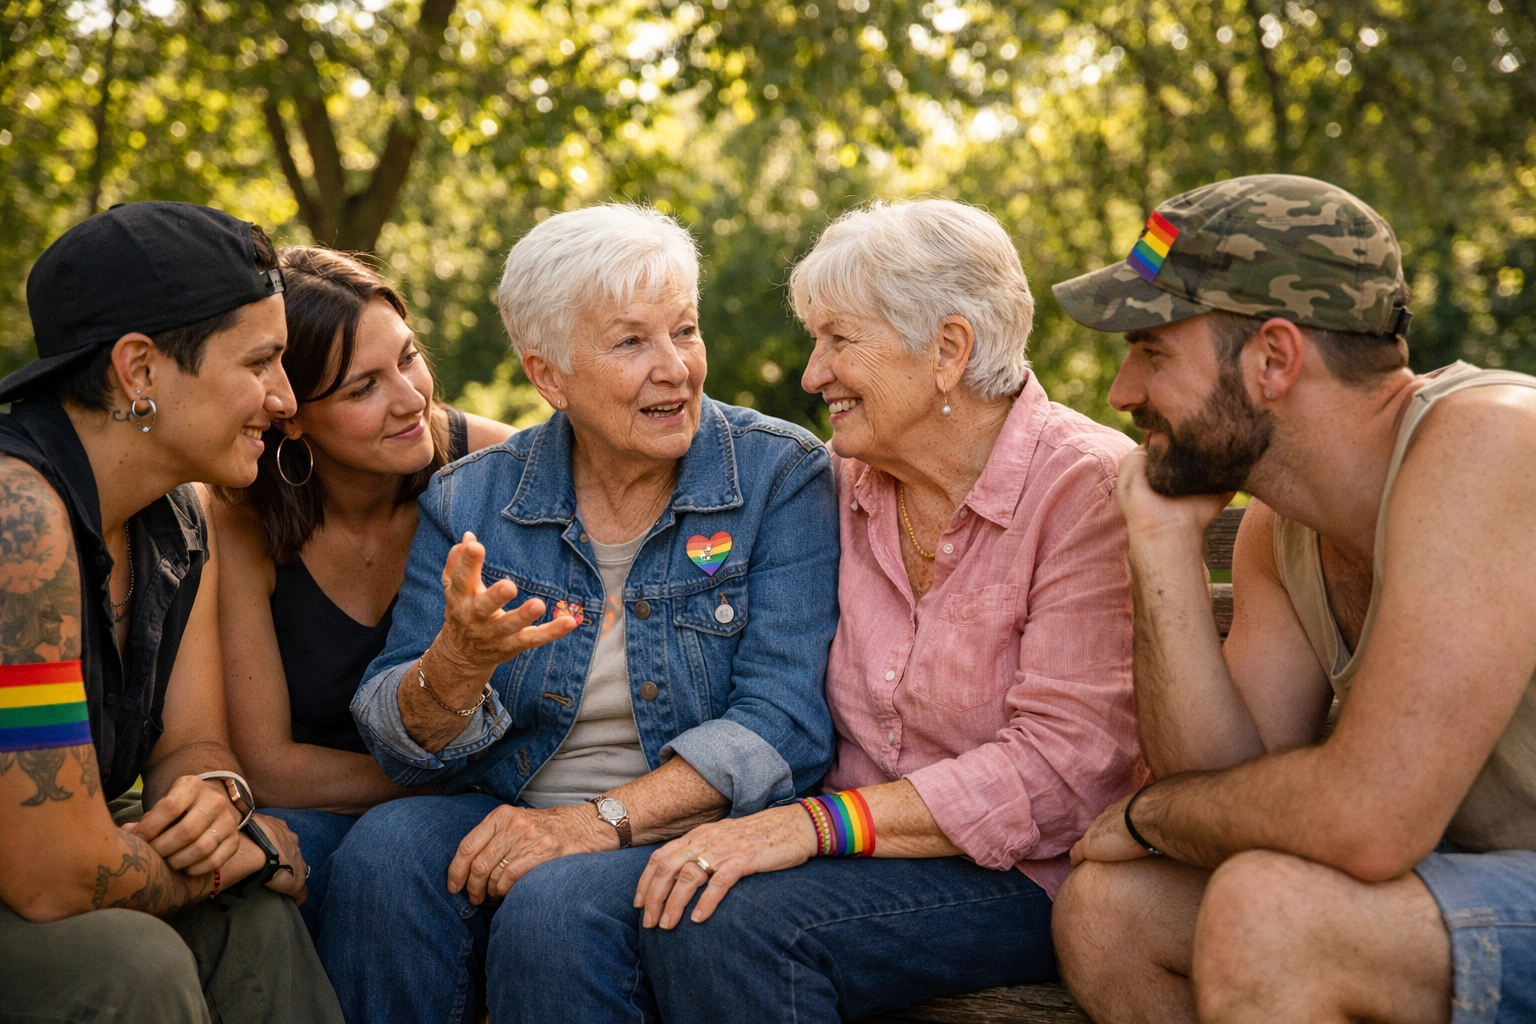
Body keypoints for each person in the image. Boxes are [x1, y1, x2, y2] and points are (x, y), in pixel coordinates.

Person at [318, 203, 841, 1024]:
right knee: (381, 854)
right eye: (632, 342)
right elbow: (396, 741)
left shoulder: (781, 476)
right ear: (548, 376)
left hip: (682, 822)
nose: (675, 367)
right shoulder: (472, 499)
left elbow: (784, 725)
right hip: (508, 802)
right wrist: (453, 666)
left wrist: (593, 824)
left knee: (555, 909)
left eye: (685, 331)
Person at [630, 199, 1142, 1022]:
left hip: (1023, 873)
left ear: (948, 350)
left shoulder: (1082, 487)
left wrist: (817, 825)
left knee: (725, 923)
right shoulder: (840, 481)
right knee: (623, 903)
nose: (811, 374)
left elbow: (1063, 767)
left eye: (839, 340)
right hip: (849, 856)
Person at [1050, 174, 1536, 1024]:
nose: (1122, 395)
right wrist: (1160, 544)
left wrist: (1153, 815)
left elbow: (1366, 821)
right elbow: (1226, 790)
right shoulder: (1281, 531)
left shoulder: (1494, 439)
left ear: (1274, 358)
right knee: (1108, 915)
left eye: (1153, 352)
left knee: (1271, 914)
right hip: (1478, 884)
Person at [0, 202, 343, 1023]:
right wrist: (244, 853)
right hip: (34, 878)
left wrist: (214, 798)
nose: (288, 400)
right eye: (261, 362)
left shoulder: (182, 513)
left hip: (55, 862)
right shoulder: (17, 521)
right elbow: (56, 879)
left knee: (252, 924)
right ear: (140, 370)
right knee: (127, 961)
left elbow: (190, 740)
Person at [212, 247, 513, 937]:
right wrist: (446, 776)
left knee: (395, 857)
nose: (411, 399)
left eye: (408, 358)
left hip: (468, 813)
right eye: (362, 388)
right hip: (320, 810)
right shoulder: (239, 517)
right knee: (260, 871)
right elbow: (270, 769)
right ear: (289, 413)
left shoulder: (498, 467)